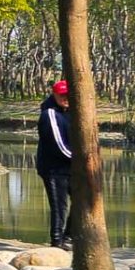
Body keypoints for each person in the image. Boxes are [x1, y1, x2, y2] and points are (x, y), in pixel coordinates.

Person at [36, 77, 75, 245]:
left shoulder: (73, 113)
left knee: (82, 201)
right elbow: (58, 144)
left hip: (72, 167)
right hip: (53, 168)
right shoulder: (49, 114)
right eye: (62, 95)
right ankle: (57, 241)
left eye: (68, 95)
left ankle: (69, 236)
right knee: (59, 206)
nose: (65, 99)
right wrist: (78, 159)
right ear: (55, 95)